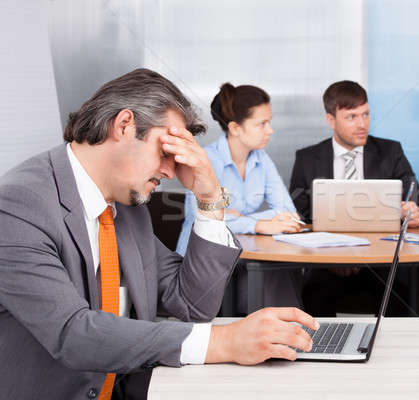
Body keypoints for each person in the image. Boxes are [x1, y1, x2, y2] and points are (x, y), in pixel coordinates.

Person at [0, 68, 318, 400]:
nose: (170, 172)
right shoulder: (19, 204)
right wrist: (224, 341)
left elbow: (191, 305)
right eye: (165, 152)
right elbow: (73, 333)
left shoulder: (128, 207)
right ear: (124, 125)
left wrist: (210, 199)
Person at [289, 80, 419, 317]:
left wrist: (415, 214)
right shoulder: (307, 158)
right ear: (330, 120)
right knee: (313, 291)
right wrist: (334, 259)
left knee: (405, 286)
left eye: (365, 115)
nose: (362, 124)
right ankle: (320, 351)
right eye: (351, 117)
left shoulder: (391, 152)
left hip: (383, 263)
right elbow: (298, 216)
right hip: (327, 264)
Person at [176, 83, 303, 314]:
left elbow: (287, 211)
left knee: (278, 272)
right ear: (235, 128)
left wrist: (238, 217)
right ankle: (288, 339)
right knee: (270, 279)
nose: (270, 130)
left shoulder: (261, 159)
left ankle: (290, 340)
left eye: (269, 122)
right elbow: (201, 216)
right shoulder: (207, 160)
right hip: (204, 263)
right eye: (261, 123)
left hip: (242, 258)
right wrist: (257, 224)